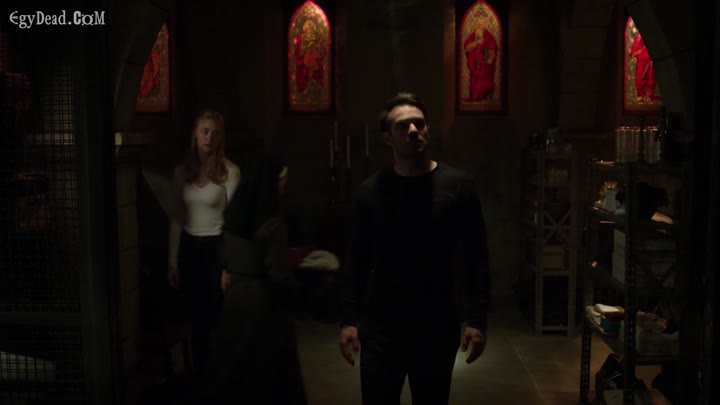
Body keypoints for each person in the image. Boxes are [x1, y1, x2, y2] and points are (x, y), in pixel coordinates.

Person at [338, 92, 491, 404]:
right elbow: (356, 259)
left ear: (427, 130)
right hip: (381, 326)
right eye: (402, 125)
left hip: (436, 323)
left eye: (419, 124)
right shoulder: (371, 191)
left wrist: (477, 320)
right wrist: (348, 320)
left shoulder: (457, 186)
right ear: (387, 138)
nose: (412, 131)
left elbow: (476, 257)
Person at [206, 153, 307, 404]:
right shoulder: (272, 224)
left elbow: (226, 257)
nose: (285, 184)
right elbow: (279, 275)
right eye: (282, 178)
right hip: (264, 306)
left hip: (235, 304)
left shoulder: (234, 217)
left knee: (234, 373)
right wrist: (298, 293)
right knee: (267, 378)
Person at [167, 109, 240, 381]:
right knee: (194, 319)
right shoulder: (181, 173)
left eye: (215, 133)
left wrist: (228, 265)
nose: (209, 137)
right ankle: (199, 379)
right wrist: (172, 262)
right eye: (205, 131)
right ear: (195, 135)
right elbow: (176, 218)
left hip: (216, 249)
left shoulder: (230, 172)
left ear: (221, 138)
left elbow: (233, 223)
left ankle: (219, 378)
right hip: (190, 249)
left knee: (216, 319)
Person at [464, 22, 498, 102]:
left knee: (485, 81)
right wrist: (476, 43)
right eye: (479, 25)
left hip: (484, 64)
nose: (480, 26)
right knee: (474, 81)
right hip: (474, 65)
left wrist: (490, 59)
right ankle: (474, 97)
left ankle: (485, 97)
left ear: (485, 26)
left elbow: (492, 49)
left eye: (482, 25)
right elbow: (467, 48)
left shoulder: (488, 36)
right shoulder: (473, 36)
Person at [630, 33, 657, 103]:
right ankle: (640, 95)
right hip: (642, 58)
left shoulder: (653, 35)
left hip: (650, 57)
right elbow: (637, 46)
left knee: (650, 76)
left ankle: (648, 96)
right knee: (639, 77)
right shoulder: (640, 36)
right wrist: (635, 56)